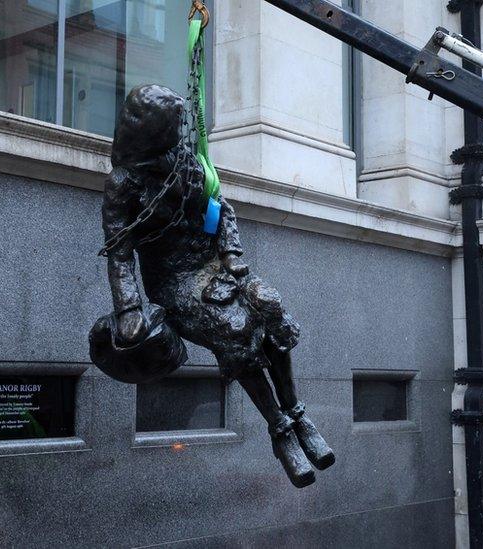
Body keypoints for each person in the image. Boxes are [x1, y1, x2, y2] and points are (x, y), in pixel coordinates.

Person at [100, 84, 333, 488]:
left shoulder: (186, 161)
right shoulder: (124, 183)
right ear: (154, 129)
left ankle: (297, 413)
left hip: (214, 263)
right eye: (174, 123)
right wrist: (129, 309)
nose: (182, 127)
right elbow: (120, 252)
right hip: (174, 281)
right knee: (237, 329)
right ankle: (279, 431)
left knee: (268, 305)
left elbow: (220, 208)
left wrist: (231, 254)